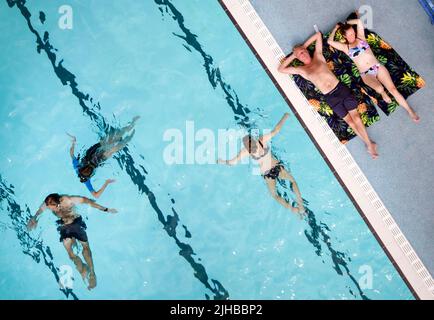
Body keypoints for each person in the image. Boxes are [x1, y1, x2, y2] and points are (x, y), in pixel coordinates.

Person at [278, 32, 379, 159]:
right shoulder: (302, 70)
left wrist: (302, 47)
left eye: (303, 52)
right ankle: (369, 144)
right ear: (297, 58)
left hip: (340, 89)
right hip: (330, 98)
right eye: (299, 55)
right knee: (350, 123)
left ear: (307, 50)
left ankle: (369, 144)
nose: (302, 55)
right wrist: (294, 54)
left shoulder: (318, 56)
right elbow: (281, 69)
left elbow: (318, 35)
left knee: (357, 119)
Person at [327, 18, 419, 122]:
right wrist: (336, 28)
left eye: (353, 32)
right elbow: (329, 41)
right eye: (350, 34)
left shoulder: (361, 37)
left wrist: (346, 23)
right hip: (366, 74)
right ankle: (383, 93)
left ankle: (410, 110)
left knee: (393, 89)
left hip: (377, 67)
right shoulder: (346, 48)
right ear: (345, 36)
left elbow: (358, 22)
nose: (352, 35)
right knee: (379, 88)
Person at [218, 113, 306, 217]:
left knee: (274, 195)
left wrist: (221, 161)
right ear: (253, 139)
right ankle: (301, 205)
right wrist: (285, 116)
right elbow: (276, 130)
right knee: (292, 181)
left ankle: (293, 209)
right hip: (277, 167)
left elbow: (232, 163)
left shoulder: (245, 151)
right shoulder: (261, 140)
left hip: (268, 175)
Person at [27, 193, 117, 290]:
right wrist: (34, 218)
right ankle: (83, 270)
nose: (51, 210)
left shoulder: (68, 200)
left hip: (76, 223)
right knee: (70, 254)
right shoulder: (48, 203)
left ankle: (92, 272)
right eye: (49, 208)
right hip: (65, 226)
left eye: (52, 208)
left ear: (58, 203)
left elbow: (88, 201)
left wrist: (106, 209)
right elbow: (40, 210)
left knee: (85, 247)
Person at [68, 116, 140, 198]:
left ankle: (131, 127)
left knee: (116, 138)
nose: (88, 169)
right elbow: (95, 195)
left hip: (93, 151)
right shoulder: (85, 179)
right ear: (89, 175)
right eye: (89, 171)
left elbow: (71, 154)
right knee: (113, 148)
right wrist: (106, 183)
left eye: (86, 168)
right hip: (99, 158)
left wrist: (73, 142)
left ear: (81, 168)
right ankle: (129, 136)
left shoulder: (77, 167)